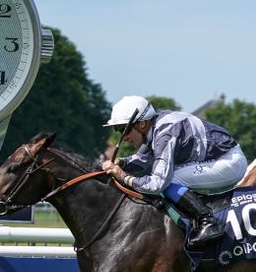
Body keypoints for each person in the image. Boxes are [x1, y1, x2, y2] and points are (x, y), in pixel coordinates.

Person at [101, 95, 247, 248]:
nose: (123, 137)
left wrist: (123, 176)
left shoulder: (165, 132)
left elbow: (157, 184)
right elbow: (144, 160)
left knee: (169, 179)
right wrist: (120, 163)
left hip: (230, 162)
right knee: (169, 176)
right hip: (218, 159)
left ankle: (208, 222)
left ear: (142, 124)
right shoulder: (155, 127)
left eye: (123, 129)